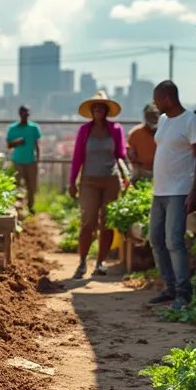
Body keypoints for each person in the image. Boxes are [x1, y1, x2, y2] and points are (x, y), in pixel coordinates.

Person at [147, 81, 196, 311]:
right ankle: (169, 287)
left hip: (179, 191)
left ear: (168, 98)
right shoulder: (163, 120)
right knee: (155, 239)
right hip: (159, 191)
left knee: (174, 240)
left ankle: (183, 293)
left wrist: (194, 191)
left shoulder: (192, 121)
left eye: (157, 99)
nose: (155, 104)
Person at [67, 92, 127, 278]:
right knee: (88, 221)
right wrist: (72, 182)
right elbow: (77, 158)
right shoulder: (84, 131)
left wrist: (126, 176)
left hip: (111, 179)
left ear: (107, 110)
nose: (98, 110)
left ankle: (100, 262)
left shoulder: (115, 130)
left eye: (101, 107)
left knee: (107, 223)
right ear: (91, 111)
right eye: (95, 107)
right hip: (89, 181)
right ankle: (82, 262)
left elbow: (120, 155)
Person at [7, 105, 42, 214]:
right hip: (17, 160)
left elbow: (37, 144)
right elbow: (9, 144)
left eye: (27, 114)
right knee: (16, 184)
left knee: (31, 186)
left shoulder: (34, 128)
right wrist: (18, 141)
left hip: (31, 160)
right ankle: (16, 206)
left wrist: (37, 159)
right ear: (20, 114)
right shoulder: (12, 128)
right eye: (24, 114)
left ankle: (30, 206)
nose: (25, 116)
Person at [126, 103, 159, 181]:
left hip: (162, 171)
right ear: (145, 116)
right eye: (150, 114)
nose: (154, 117)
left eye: (156, 114)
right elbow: (130, 154)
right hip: (141, 171)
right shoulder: (135, 133)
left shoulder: (164, 132)